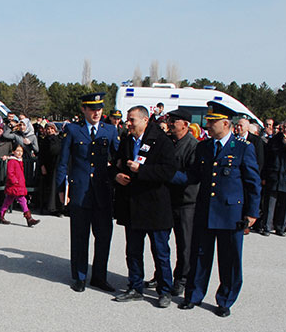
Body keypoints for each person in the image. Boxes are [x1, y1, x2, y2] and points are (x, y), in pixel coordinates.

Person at [175, 101, 261, 317]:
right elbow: (193, 176)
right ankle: (193, 296)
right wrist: (167, 175)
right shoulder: (204, 147)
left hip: (231, 214)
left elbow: (253, 183)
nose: (208, 126)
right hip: (205, 211)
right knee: (200, 256)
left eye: (212, 122)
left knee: (229, 259)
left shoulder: (242, 148)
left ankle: (225, 300)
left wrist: (252, 213)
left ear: (226, 123)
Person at [112, 106, 177, 307]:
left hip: (155, 207)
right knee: (133, 250)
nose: (128, 123)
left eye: (132, 120)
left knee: (160, 252)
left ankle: (165, 290)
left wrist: (142, 170)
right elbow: (117, 163)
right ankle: (135, 286)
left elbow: (168, 171)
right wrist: (117, 175)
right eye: (127, 120)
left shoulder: (162, 141)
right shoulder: (127, 140)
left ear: (145, 120)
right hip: (132, 206)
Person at [56, 92, 119, 293]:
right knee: (80, 235)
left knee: (103, 236)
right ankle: (79, 276)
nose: (96, 113)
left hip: (102, 191)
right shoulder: (74, 130)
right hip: (80, 190)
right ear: (84, 109)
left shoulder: (109, 131)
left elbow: (117, 157)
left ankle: (99, 276)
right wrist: (60, 188)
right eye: (92, 109)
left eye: (99, 109)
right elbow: (63, 161)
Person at [165, 108, 199, 296]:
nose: (170, 124)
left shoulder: (193, 145)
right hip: (167, 200)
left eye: (174, 122)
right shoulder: (169, 142)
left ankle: (181, 279)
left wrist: (166, 174)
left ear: (185, 125)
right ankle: (162, 275)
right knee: (161, 242)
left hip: (186, 202)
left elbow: (191, 176)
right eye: (169, 120)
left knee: (184, 244)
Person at [259, 119, 286, 236]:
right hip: (273, 176)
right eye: (284, 128)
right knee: (269, 204)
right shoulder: (274, 140)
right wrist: (264, 176)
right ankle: (267, 227)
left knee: (285, 205)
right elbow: (267, 159)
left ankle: (280, 228)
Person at [0, 144, 40, 227]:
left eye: (21, 151)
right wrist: (15, 181)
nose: (19, 153)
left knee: (8, 201)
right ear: (13, 152)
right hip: (14, 185)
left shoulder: (19, 161)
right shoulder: (12, 161)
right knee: (22, 200)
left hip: (18, 185)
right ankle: (29, 218)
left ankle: (1, 215)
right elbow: (10, 173)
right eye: (18, 151)